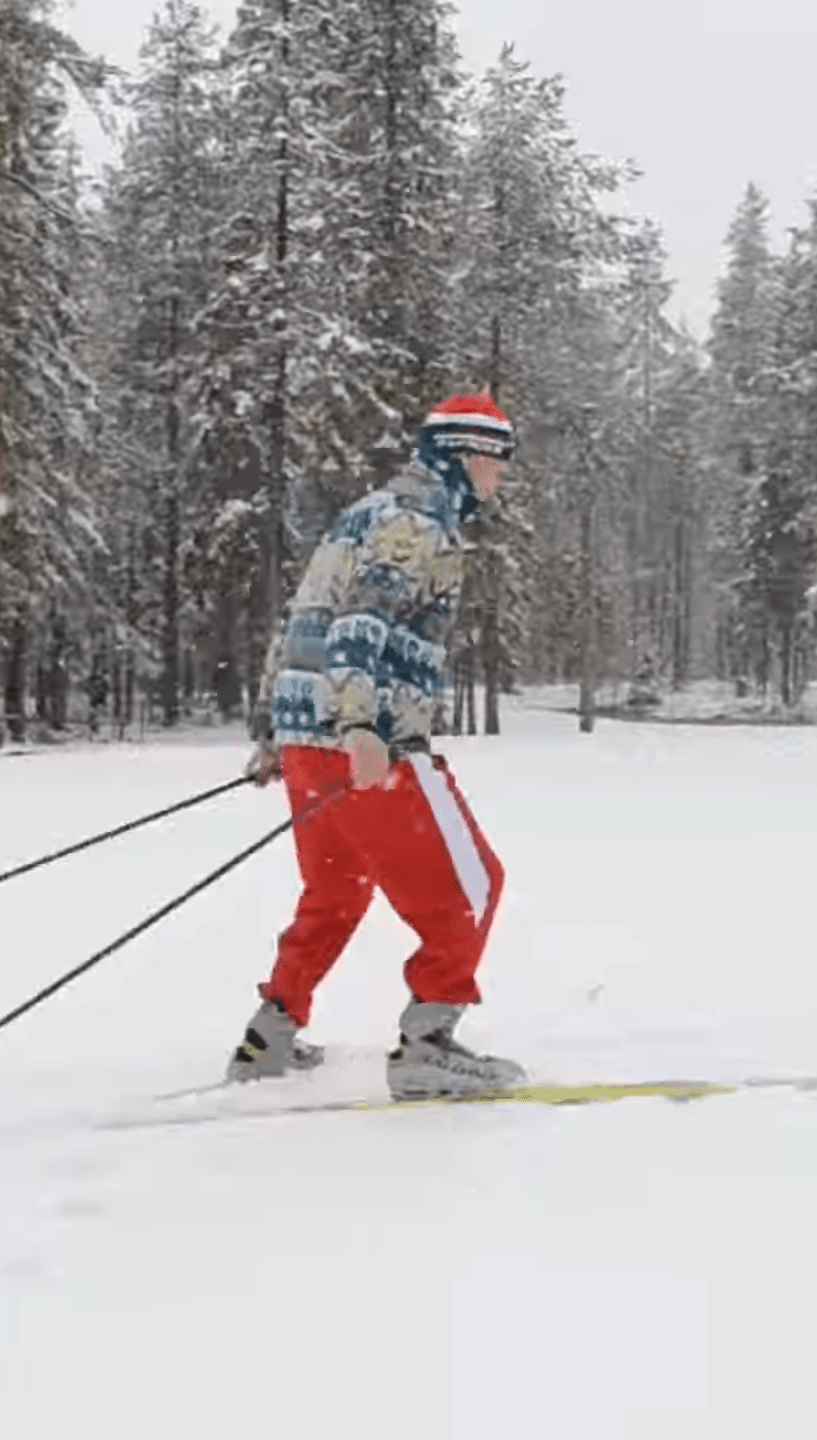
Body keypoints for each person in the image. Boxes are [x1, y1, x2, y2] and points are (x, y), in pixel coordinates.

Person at [227, 393, 527, 1100]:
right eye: (498, 460)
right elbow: (359, 623)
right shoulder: (417, 522)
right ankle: (428, 1046)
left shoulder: (365, 512)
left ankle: (268, 1037)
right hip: (366, 740)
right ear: (466, 455)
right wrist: (361, 727)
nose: (500, 476)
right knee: (472, 886)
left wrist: (278, 732)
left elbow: (305, 614)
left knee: (336, 889)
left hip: (310, 737)